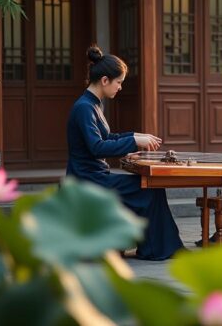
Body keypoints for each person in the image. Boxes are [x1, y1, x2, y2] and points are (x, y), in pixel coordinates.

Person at [67, 46, 184, 260]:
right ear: (104, 80)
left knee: (151, 187)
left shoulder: (92, 104)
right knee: (149, 189)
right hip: (88, 179)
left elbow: (107, 138)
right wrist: (133, 141)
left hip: (96, 176)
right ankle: (158, 249)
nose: (120, 87)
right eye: (118, 82)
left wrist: (135, 136)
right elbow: (97, 147)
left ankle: (156, 248)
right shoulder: (85, 108)